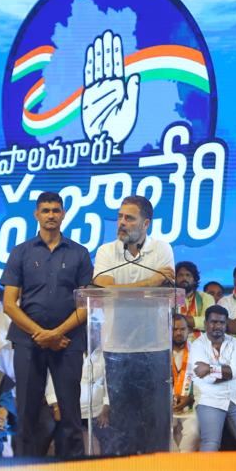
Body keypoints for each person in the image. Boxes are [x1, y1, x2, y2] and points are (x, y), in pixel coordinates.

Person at [1, 191, 93, 458]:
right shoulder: (21, 252)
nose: (51, 215)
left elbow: (86, 304)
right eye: (46, 210)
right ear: (36, 215)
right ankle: (24, 470)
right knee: (27, 410)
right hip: (28, 340)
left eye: (55, 210)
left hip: (68, 340)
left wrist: (56, 334)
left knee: (71, 412)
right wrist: (41, 334)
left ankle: (72, 469)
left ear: (63, 214)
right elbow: (9, 304)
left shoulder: (79, 253)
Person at [93, 195, 177, 455]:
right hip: (117, 349)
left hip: (155, 348)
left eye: (129, 218)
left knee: (156, 425)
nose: (121, 222)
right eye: (119, 217)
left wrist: (123, 290)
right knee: (122, 426)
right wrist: (149, 283)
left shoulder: (162, 249)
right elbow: (103, 287)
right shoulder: (106, 251)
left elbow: (162, 287)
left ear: (145, 223)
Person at [189, 305, 236, 452]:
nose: (218, 326)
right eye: (213, 322)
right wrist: (227, 371)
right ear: (205, 324)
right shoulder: (197, 346)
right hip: (209, 400)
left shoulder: (234, 343)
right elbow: (208, 379)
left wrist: (209, 368)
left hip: (235, 398)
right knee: (211, 445)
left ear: (226, 324)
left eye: (221, 322)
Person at [170, 314, 198, 453]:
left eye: (182, 329)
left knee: (193, 432)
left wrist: (191, 398)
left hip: (191, 404)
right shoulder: (162, 353)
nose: (179, 333)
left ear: (189, 331)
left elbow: (203, 384)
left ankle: (183, 461)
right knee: (163, 432)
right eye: (174, 329)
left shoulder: (197, 352)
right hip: (167, 406)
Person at [176, 261, 215, 342]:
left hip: (201, 344)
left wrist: (179, 319)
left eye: (188, 275)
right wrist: (195, 323)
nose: (184, 278)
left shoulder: (206, 298)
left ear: (194, 280)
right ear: (175, 279)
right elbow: (167, 323)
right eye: (180, 275)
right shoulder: (171, 298)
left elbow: (208, 322)